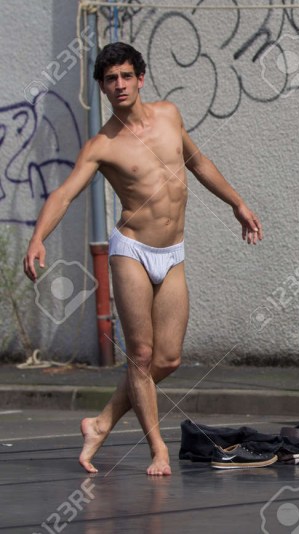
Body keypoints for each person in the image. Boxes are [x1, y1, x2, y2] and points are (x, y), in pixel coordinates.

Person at [23, 42, 263, 475]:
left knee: (167, 359)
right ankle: (158, 449)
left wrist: (237, 203)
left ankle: (100, 423)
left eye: (125, 76)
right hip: (131, 250)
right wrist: (38, 237)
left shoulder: (169, 115)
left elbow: (198, 162)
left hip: (173, 253)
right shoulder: (102, 145)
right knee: (141, 354)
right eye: (110, 79)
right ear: (102, 87)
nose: (119, 84)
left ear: (140, 79)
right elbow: (64, 194)